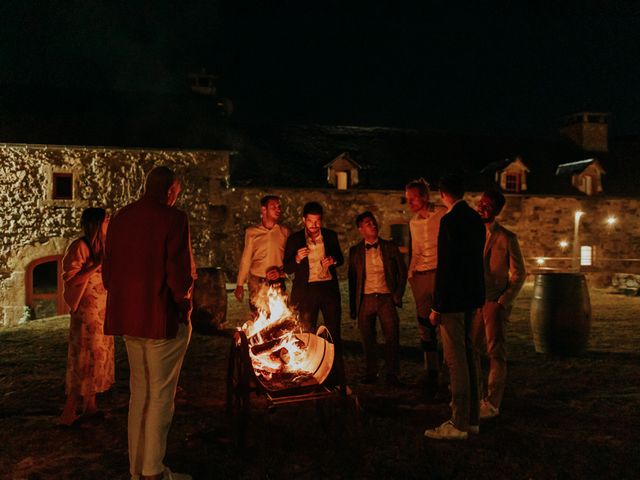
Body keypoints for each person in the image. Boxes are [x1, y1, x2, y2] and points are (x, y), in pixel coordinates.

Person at [103, 166, 196, 480]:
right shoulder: (174, 219)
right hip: (161, 319)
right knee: (160, 396)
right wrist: (185, 305)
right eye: (176, 193)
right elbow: (180, 278)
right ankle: (153, 471)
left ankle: (137, 469)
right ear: (170, 190)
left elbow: (107, 274)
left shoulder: (119, 219)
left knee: (139, 394)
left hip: (130, 320)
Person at [425, 174, 485, 441]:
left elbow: (447, 265)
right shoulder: (475, 219)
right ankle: (473, 420)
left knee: (455, 360)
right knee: (470, 356)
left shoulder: (449, 221)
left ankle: (458, 422)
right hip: (473, 297)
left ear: (442, 194)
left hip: (453, 301)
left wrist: (438, 305)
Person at [473, 190, 526, 420]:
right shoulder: (468, 234)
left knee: (495, 352)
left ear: (496, 210)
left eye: (488, 204)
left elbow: (520, 274)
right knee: (471, 350)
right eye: (481, 202)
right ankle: (475, 396)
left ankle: (493, 403)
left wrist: (503, 300)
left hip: (494, 302)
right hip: (472, 301)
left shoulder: (507, 238)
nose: (482, 207)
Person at [58, 207, 114, 426]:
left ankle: (90, 406)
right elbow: (71, 279)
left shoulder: (104, 247)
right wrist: (96, 266)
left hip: (101, 311)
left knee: (97, 357)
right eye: (106, 221)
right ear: (96, 224)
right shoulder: (80, 246)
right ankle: (68, 412)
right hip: (86, 313)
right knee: (84, 359)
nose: (109, 224)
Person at [283, 201, 346, 386]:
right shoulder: (295, 239)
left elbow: (340, 259)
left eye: (317, 221)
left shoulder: (330, 236)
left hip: (328, 290)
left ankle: (335, 375)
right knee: (307, 334)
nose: (314, 225)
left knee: (333, 333)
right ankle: (308, 374)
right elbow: (287, 267)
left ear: (321, 221)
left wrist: (333, 260)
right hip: (306, 291)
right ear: (304, 220)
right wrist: (296, 258)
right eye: (310, 221)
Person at [348, 211, 407, 386]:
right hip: (365, 299)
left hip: (386, 298)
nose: (372, 224)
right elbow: (352, 280)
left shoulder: (390, 247)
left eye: (373, 221)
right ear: (361, 229)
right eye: (367, 223)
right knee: (367, 339)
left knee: (392, 336)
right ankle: (371, 373)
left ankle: (392, 374)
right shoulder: (355, 251)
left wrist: (397, 294)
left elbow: (402, 272)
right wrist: (354, 307)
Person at [405, 178, 448, 393]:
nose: (410, 202)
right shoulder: (413, 223)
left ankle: (448, 372)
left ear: (424, 196)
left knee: (444, 322)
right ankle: (430, 371)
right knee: (424, 325)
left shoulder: (442, 213)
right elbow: (416, 249)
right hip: (419, 276)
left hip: (439, 274)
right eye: (407, 199)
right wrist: (410, 273)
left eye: (413, 198)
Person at [234, 195, 290, 310]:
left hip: (277, 280)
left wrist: (281, 273)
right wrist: (239, 284)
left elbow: (289, 258)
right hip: (256, 282)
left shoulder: (284, 232)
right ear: (264, 210)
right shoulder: (252, 232)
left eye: (279, 207)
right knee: (258, 317)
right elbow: (246, 258)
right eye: (273, 207)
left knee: (279, 317)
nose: (278, 209)